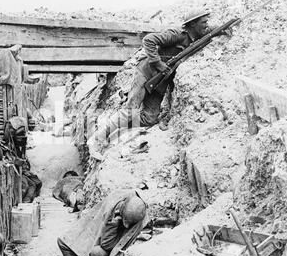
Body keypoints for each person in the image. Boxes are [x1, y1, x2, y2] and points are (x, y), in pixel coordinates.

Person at [87, 9, 217, 160]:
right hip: (146, 73)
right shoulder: (177, 35)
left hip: (160, 82)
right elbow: (149, 40)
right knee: (130, 112)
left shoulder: (196, 36)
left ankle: (119, 124)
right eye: (203, 22)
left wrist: (223, 28)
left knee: (150, 119)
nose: (206, 25)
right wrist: (158, 63)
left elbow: (210, 30)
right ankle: (97, 140)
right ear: (193, 24)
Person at [57, 191, 148, 256]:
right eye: (126, 220)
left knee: (97, 253)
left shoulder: (139, 214)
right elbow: (97, 226)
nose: (127, 225)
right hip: (103, 228)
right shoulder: (114, 206)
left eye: (129, 223)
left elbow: (107, 245)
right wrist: (114, 222)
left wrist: (115, 224)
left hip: (113, 249)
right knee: (63, 241)